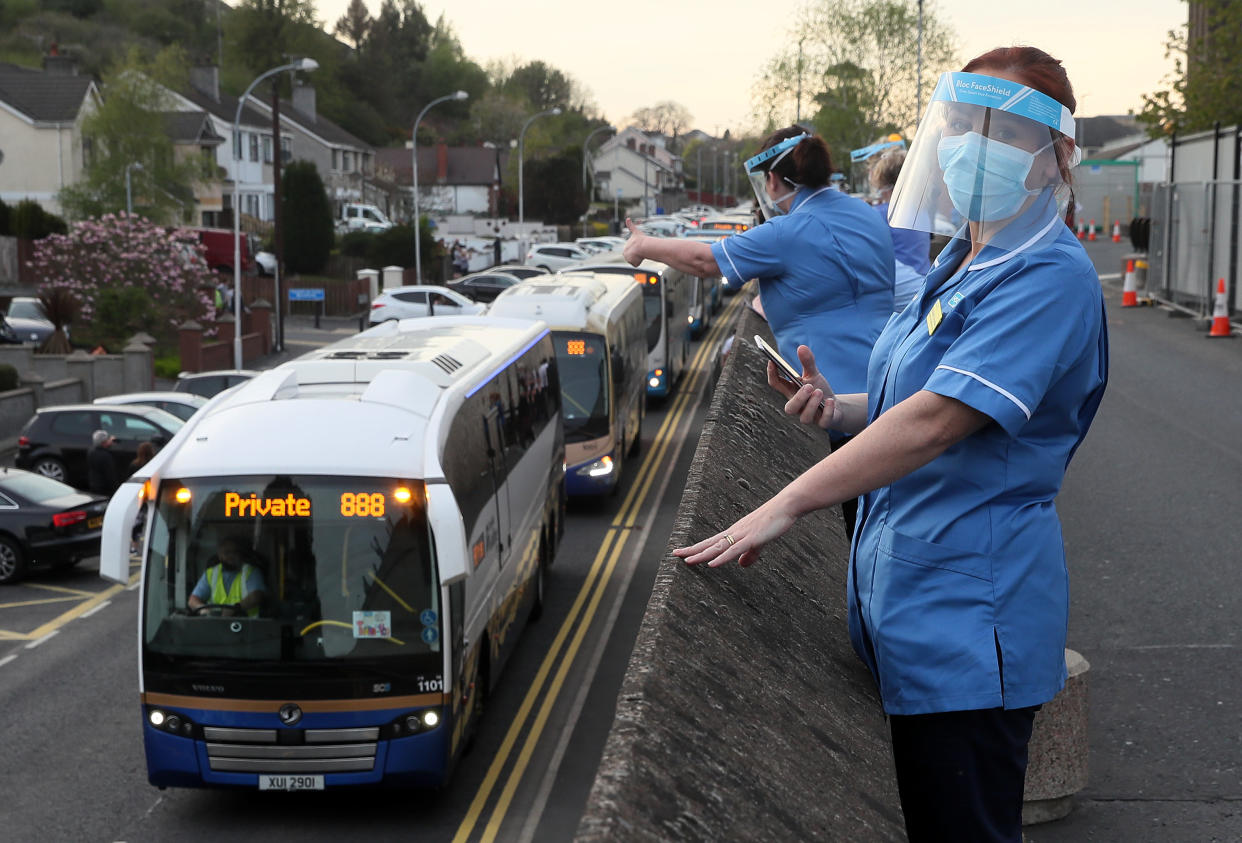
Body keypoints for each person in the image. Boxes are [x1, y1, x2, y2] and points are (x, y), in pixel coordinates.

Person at [674, 47, 1107, 842]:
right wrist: (837, 407)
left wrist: (788, 502)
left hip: (973, 628)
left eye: (1006, 131)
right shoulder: (961, 259)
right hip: (913, 611)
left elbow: (939, 421)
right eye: (967, 124)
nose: (977, 144)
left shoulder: (1048, 277)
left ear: (1057, 160)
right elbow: (915, 398)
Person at [623, 126, 894, 534]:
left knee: (861, 532)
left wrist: (643, 245)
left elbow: (704, 262)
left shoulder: (787, 232)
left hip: (837, 401)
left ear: (772, 180)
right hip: (886, 384)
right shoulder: (863, 214)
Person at [868, 147, 931, 313]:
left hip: (900, 291)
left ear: (884, 183)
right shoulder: (920, 211)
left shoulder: (882, 214)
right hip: (925, 282)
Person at [188, 536, 267, 617]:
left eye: (235, 552)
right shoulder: (211, 573)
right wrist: (204, 610)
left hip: (249, 624)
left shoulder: (250, 572)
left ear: (241, 554)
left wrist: (235, 608)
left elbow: (256, 596)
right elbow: (193, 600)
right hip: (215, 624)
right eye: (227, 552)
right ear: (219, 555)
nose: (231, 556)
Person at [86, 429, 119, 496]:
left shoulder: (91, 451)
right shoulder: (106, 456)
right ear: (103, 442)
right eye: (107, 440)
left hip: (94, 484)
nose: (109, 441)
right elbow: (110, 475)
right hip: (105, 489)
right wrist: (115, 488)